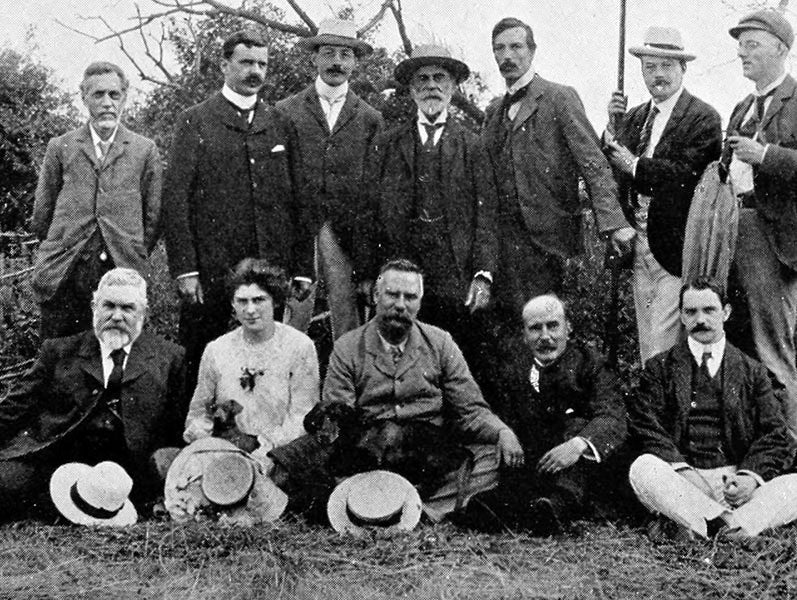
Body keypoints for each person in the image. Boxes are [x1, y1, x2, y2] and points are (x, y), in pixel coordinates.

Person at [269, 259, 524, 521]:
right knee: (288, 466)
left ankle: (407, 508)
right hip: (367, 455)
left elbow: (470, 409)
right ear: (376, 296)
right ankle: (384, 502)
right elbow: (337, 420)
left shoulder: (440, 343)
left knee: (495, 457)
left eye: (410, 297)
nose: (401, 305)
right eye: (392, 295)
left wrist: (501, 431)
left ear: (419, 302)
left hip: (429, 456)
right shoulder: (348, 347)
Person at [162, 30, 308, 390]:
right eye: (246, 62)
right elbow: (175, 198)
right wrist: (186, 269)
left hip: (268, 266)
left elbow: (301, 199)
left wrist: (303, 268)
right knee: (200, 357)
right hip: (212, 270)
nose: (255, 71)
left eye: (262, 64)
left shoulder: (281, 123)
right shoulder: (195, 120)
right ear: (224, 65)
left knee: (269, 363)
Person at [0, 268, 186, 519]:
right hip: (58, 459)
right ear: (94, 307)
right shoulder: (59, 351)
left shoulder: (169, 358)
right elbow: (16, 406)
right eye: (108, 306)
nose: (117, 316)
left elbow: (178, 424)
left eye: (128, 308)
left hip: (129, 470)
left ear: (144, 313)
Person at [482, 17, 634, 322]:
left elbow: (593, 162)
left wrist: (614, 222)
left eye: (516, 46)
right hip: (502, 244)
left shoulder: (558, 97)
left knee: (548, 326)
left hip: (549, 242)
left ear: (532, 51)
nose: (507, 55)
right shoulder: (493, 111)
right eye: (499, 48)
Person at [365, 44, 497, 383]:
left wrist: (482, 274)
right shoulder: (388, 142)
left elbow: (487, 213)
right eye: (422, 79)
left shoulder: (473, 145)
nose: (431, 86)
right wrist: (368, 274)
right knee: (398, 353)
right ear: (411, 90)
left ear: (453, 87)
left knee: (454, 358)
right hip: (400, 269)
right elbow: (369, 211)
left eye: (440, 78)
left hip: (454, 271)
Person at [628, 276, 797, 541]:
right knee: (643, 468)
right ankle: (733, 527)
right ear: (682, 317)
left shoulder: (752, 371)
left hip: (733, 479)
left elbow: (774, 433)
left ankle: (704, 524)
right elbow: (646, 427)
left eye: (709, 310)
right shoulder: (660, 368)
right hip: (683, 480)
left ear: (726, 313)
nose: (700, 320)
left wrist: (748, 478)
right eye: (691, 312)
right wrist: (684, 472)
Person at [604, 26, 722, 362]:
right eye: (650, 67)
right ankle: (656, 411)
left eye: (667, 66)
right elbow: (612, 166)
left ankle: (669, 412)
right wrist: (612, 127)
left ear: (683, 69)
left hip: (675, 245)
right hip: (637, 243)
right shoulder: (637, 117)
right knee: (647, 340)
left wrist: (635, 164)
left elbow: (686, 176)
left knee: (664, 342)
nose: (658, 75)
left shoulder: (703, 117)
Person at [463, 294, 627, 535]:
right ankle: (520, 508)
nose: (545, 337)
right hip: (536, 463)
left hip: (579, 469)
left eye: (553, 326)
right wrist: (504, 433)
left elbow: (612, 416)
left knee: (577, 426)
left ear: (568, 328)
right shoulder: (514, 369)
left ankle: (556, 507)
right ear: (524, 335)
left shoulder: (592, 364)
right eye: (535, 329)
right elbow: (496, 411)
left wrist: (578, 444)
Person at [31, 62, 162, 339]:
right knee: (60, 356)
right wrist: (66, 243)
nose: (107, 103)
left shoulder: (143, 150)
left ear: (124, 97)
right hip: (66, 269)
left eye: (114, 95)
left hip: (121, 268)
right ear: (84, 97)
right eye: (98, 95)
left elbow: (153, 218)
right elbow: (42, 214)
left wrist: (128, 247)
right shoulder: (61, 147)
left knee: (118, 352)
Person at [275, 18, 383, 338]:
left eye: (346, 55)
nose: (337, 62)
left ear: (355, 62)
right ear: (315, 58)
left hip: (345, 229)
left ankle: (346, 386)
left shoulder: (370, 118)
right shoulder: (285, 111)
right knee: (294, 311)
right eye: (329, 53)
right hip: (299, 228)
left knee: (347, 317)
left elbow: (374, 189)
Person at [720, 9, 797, 433]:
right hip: (733, 229)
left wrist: (764, 156)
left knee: (773, 345)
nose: (741, 52)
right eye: (740, 44)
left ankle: (791, 452)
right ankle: (757, 445)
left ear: (781, 50)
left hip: (774, 241)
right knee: (738, 344)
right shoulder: (742, 107)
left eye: (752, 44)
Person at [183, 258, 320, 467]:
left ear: (274, 300)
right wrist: (202, 436)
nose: (250, 310)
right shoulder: (216, 350)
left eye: (258, 300)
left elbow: (302, 415)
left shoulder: (300, 347)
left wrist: (265, 450)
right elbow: (199, 411)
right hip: (226, 452)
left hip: (281, 453)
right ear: (232, 304)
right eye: (242, 301)